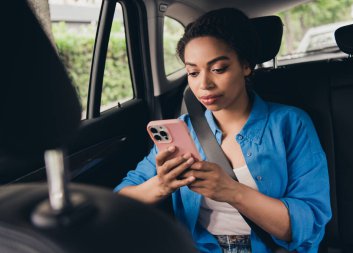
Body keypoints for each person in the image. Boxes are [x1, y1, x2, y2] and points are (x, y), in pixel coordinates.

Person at [114, 8, 331, 253]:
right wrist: (161, 185)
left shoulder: (290, 124)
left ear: (246, 65)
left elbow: (309, 223)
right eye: (193, 73)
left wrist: (231, 191)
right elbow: (118, 201)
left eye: (218, 69)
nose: (204, 84)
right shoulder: (183, 131)